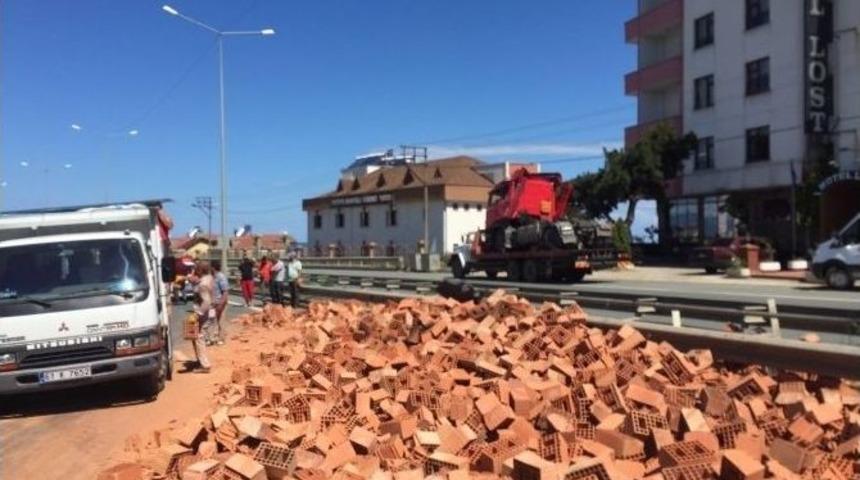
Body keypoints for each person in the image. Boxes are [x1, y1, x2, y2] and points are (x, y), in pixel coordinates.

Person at [188, 262, 214, 372]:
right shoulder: (209, 278)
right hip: (209, 312)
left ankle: (204, 365)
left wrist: (198, 313)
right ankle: (200, 360)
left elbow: (206, 301)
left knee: (199, 337)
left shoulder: (203, 284)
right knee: (196, 336)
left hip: (203, 313)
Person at [211, 260, 228, 345]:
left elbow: (225, 292)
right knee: (213, 321)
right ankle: (214, 337)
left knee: (221, 321)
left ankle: (221, 338)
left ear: (213, 268)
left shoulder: (221, 277)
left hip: (220, 303)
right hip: (213, 303)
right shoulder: (212, 277)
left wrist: (221, 304)